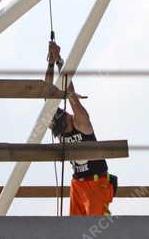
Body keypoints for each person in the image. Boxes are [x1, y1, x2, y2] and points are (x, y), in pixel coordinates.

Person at [46, 40, 116, 216]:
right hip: (77, 184)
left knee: (96, 225)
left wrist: (60, 61)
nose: (64, 131)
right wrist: (50, 63)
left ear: (69, 117)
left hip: (96, 182)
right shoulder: (60, 129)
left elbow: (72, 96)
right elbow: (47, 97)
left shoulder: (80, 122)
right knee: (74, 229)